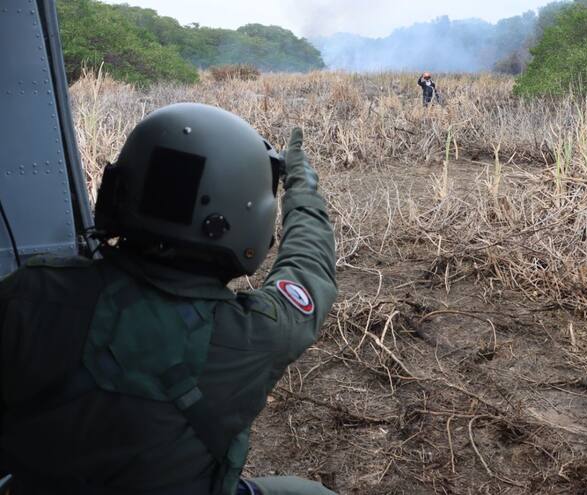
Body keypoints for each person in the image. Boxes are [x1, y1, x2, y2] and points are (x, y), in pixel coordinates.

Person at [0, 103, 338, 495]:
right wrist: (302, 183)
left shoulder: (30, 293)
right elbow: (309, 264)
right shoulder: (253, 336)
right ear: (249, 220)